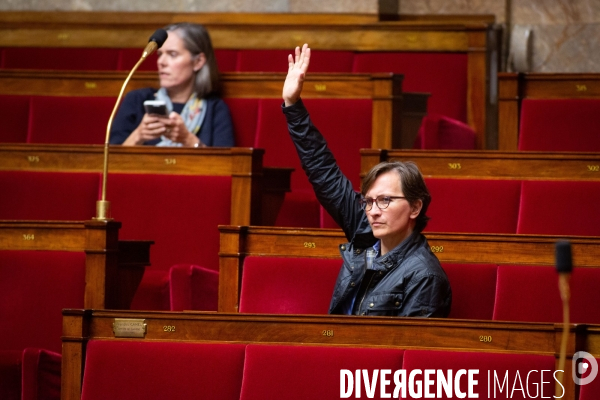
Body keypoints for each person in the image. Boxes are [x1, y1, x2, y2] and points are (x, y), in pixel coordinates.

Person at [281, 44, 452, 317]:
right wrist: (293, 105)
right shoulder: (365, 234)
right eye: (369, 201)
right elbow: (323, 172)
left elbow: (404, 354)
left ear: (415, 207)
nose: (373, 211)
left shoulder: (425, 277)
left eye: (385, 200)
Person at [110, 22, 234, 148]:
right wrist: (138, 136)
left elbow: (225, 165)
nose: (161, 62)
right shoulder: (136, 100)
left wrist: (187, 139)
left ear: (198, 62)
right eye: (159, 54)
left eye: (172, 54)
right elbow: (109, 162)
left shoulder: (215, 109)